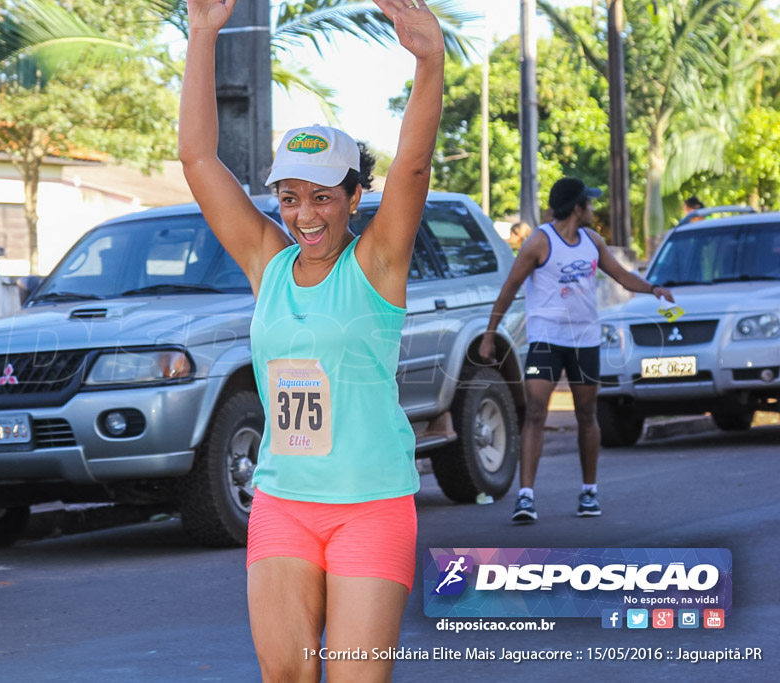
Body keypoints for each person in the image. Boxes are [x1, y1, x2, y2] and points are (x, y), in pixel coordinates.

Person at [179, 0, 444, 680]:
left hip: (371, 506)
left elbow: (412, 169)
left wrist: (429, 63)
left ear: (355, 197)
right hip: (284, 503)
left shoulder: (377, 263)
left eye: (323, 196)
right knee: (287, 676)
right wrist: (203, 33)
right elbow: (198, 158)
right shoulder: (267, 262)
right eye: (290, 196)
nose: (305, 213)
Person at [479, 177, 675, 524]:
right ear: (577, 208)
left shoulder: (592, 241)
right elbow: (510, 288)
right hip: (545, 341)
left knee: (587, 414)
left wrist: (654, 288)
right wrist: (489, 335)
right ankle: (526, 497)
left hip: (585, 341)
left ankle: (589, 491)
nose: (594, 209)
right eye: (590, 203)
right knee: (536, 412)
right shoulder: (539, 242)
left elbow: (622, 277)